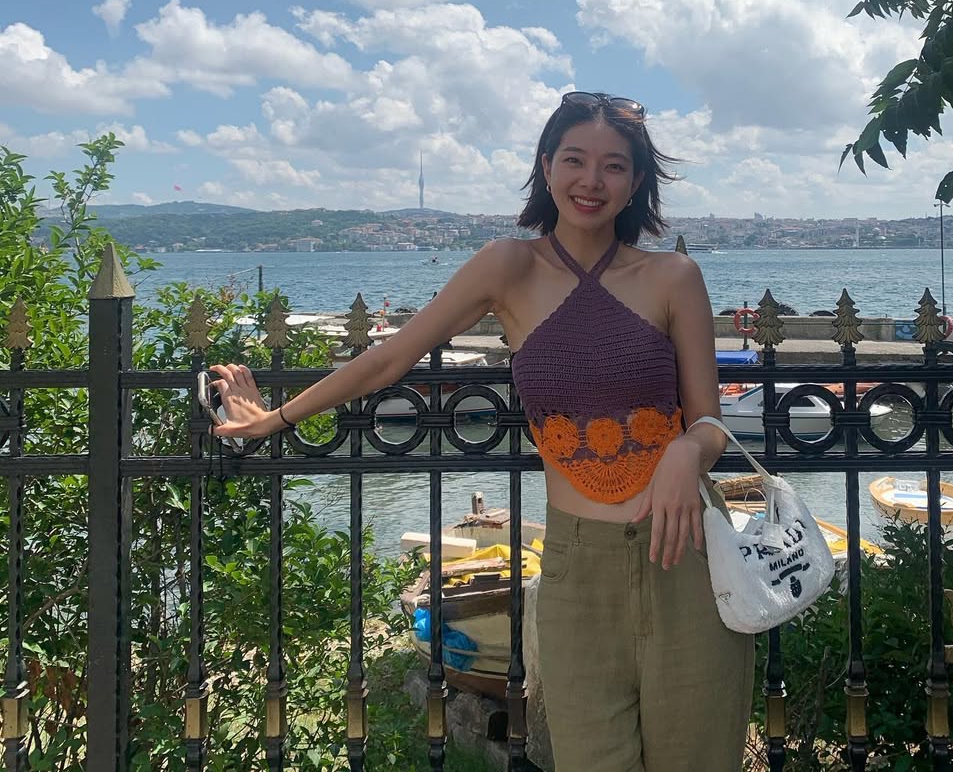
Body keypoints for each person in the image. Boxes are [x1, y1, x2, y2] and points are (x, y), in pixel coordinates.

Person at [210, 91, 755, 771]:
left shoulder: (674, 276)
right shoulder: (508, 267)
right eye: (575, 160)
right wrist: (275, 417)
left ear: (636, 180)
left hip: (686, 556)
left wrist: (686, 449)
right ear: (546, 166)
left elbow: (710, 420)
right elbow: (389, 358)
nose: (592, 180)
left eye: (614, 166)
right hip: (577, 569)